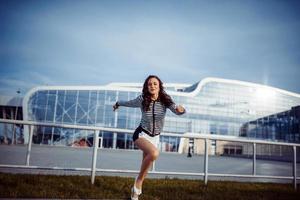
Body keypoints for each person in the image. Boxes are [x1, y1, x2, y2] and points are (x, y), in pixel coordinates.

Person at [113, 75, 186, 200]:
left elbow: (176, 110)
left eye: (155, 84)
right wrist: (118, 103)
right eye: (149, 84)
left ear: (159, 86)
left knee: (146, 166)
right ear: (147, 87)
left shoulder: (165, 99)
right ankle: (138, 183)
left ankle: (135, 193)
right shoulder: (142, 99)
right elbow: (129, 103)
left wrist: (181, 109)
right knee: (154, 153)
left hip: (155, 137)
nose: (152, 86)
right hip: (141, 134)